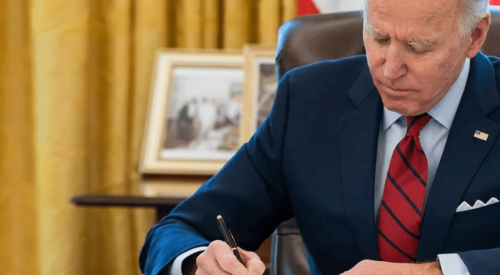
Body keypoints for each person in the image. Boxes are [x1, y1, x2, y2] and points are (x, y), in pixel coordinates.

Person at [139, 0, 500, 274]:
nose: (390, 69)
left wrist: (438, 271)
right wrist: (197, 261)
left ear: (475, 36)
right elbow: (179, 228)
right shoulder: (309, 99)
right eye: (378, 37)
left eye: (418, 47)